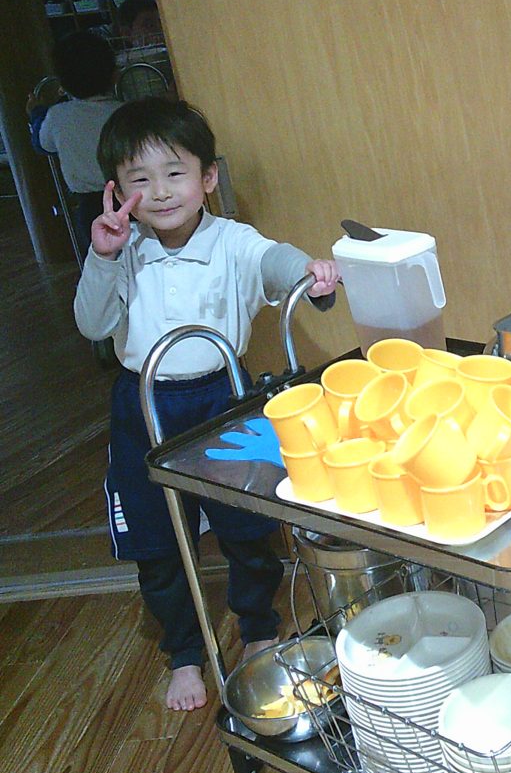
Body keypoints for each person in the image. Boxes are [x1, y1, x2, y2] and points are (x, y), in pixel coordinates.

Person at [74, 98, 340, 711]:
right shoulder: (122, 248)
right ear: (117, 191)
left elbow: (274, 262)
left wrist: (310, 271)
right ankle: (185, 652)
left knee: (246, 524)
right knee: (156, 539)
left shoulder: (231, 241)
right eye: (140, 179)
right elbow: (91, 324)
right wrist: (103, 255)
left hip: (225, 396)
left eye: (176, 173)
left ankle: (259, 629)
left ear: (208, 177)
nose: (161, 192)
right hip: (143, 404)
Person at [27, 30, 122, 259]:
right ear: (115, 75)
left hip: (89, 204)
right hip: (128, 196)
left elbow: (42, 144)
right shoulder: (124, 111)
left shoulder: (58, 115)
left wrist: (36, 112)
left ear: (62, 83)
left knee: (100, 260)